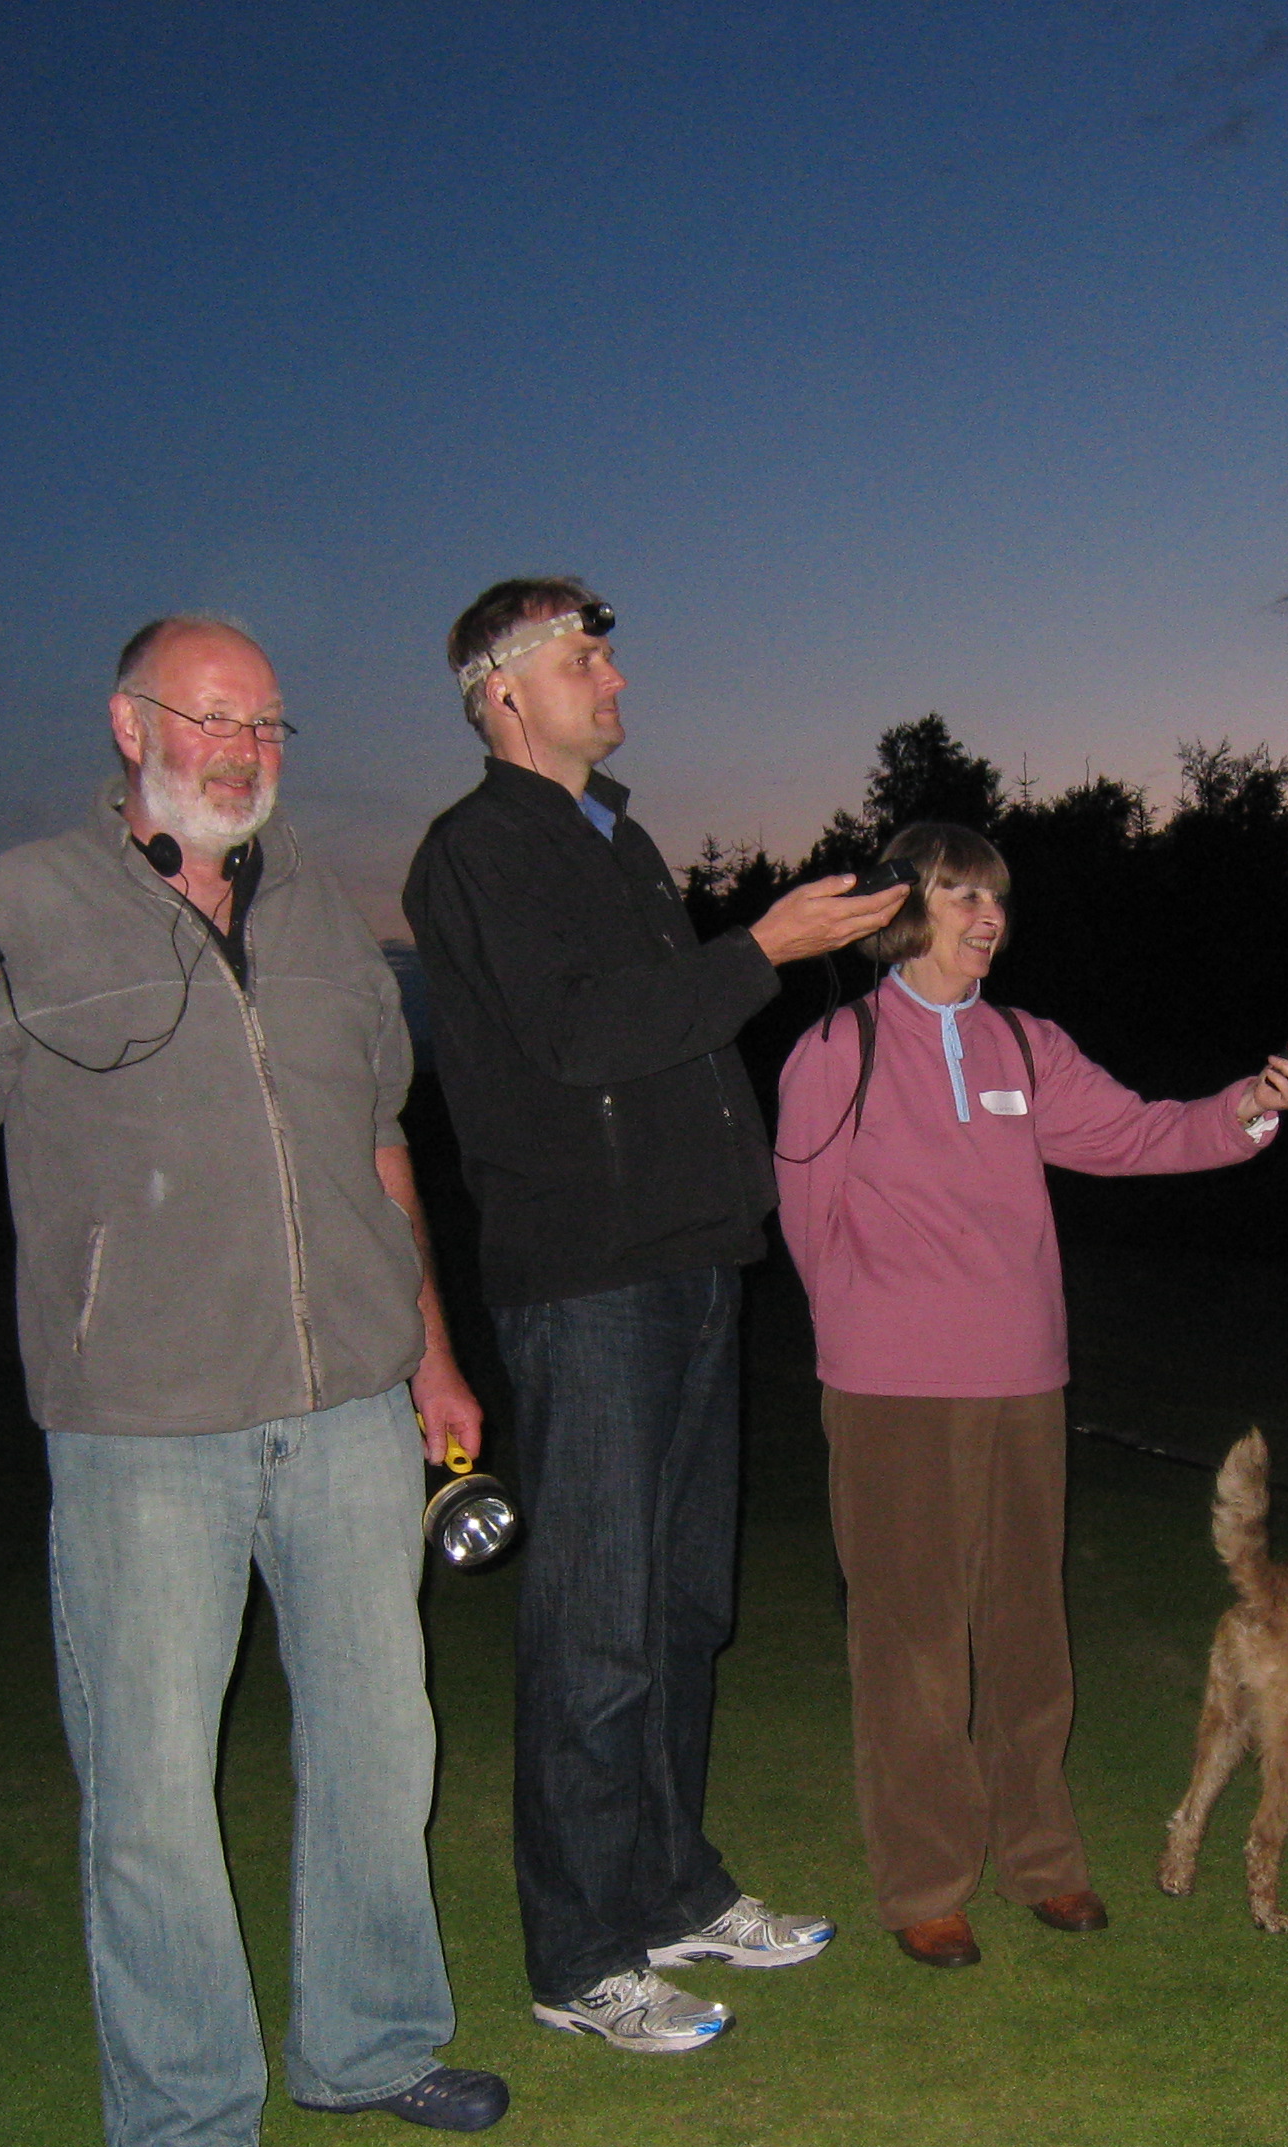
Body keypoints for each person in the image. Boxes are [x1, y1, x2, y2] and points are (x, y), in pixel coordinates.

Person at [0, 616, 501, 2147]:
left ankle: (367, 2044)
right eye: (208, 717)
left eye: (264, 723)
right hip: (144, 1429)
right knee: (149, 1787)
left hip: (351, 1402)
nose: (239, 748)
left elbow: (374, 1146)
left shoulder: (324, 919)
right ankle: (188, 2123)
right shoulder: (23, 901)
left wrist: (430, 1351)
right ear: (129, 723)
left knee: (378, 1745)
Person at [400, 578, 905, 2053]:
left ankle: (674, 1886)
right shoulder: (478, 852)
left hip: (690, 1262)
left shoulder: (610, 841)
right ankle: (577, 1954)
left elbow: (666, 1035)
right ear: (504, 690)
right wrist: (763, 949)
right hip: (591, 1280)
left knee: (686, 1608)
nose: (614, 674)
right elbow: (582, 1040)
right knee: (594, 1629)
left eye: (606, 651)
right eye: (584, 655)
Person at [772, 821, 1288, 1969]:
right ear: (900, 909)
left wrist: (1251, 1108)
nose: (988, 918)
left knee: (1028, 1633)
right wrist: (870, 1340)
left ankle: (1041, 1860)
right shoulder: (839, 1048)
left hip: (1025, 1380)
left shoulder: (1027, 1044)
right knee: (912, 1639)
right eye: (960, 894)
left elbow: (1136, 1135)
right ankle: (925, 1880)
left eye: (997, 898)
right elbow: (808, 1220)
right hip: (890, 1389)